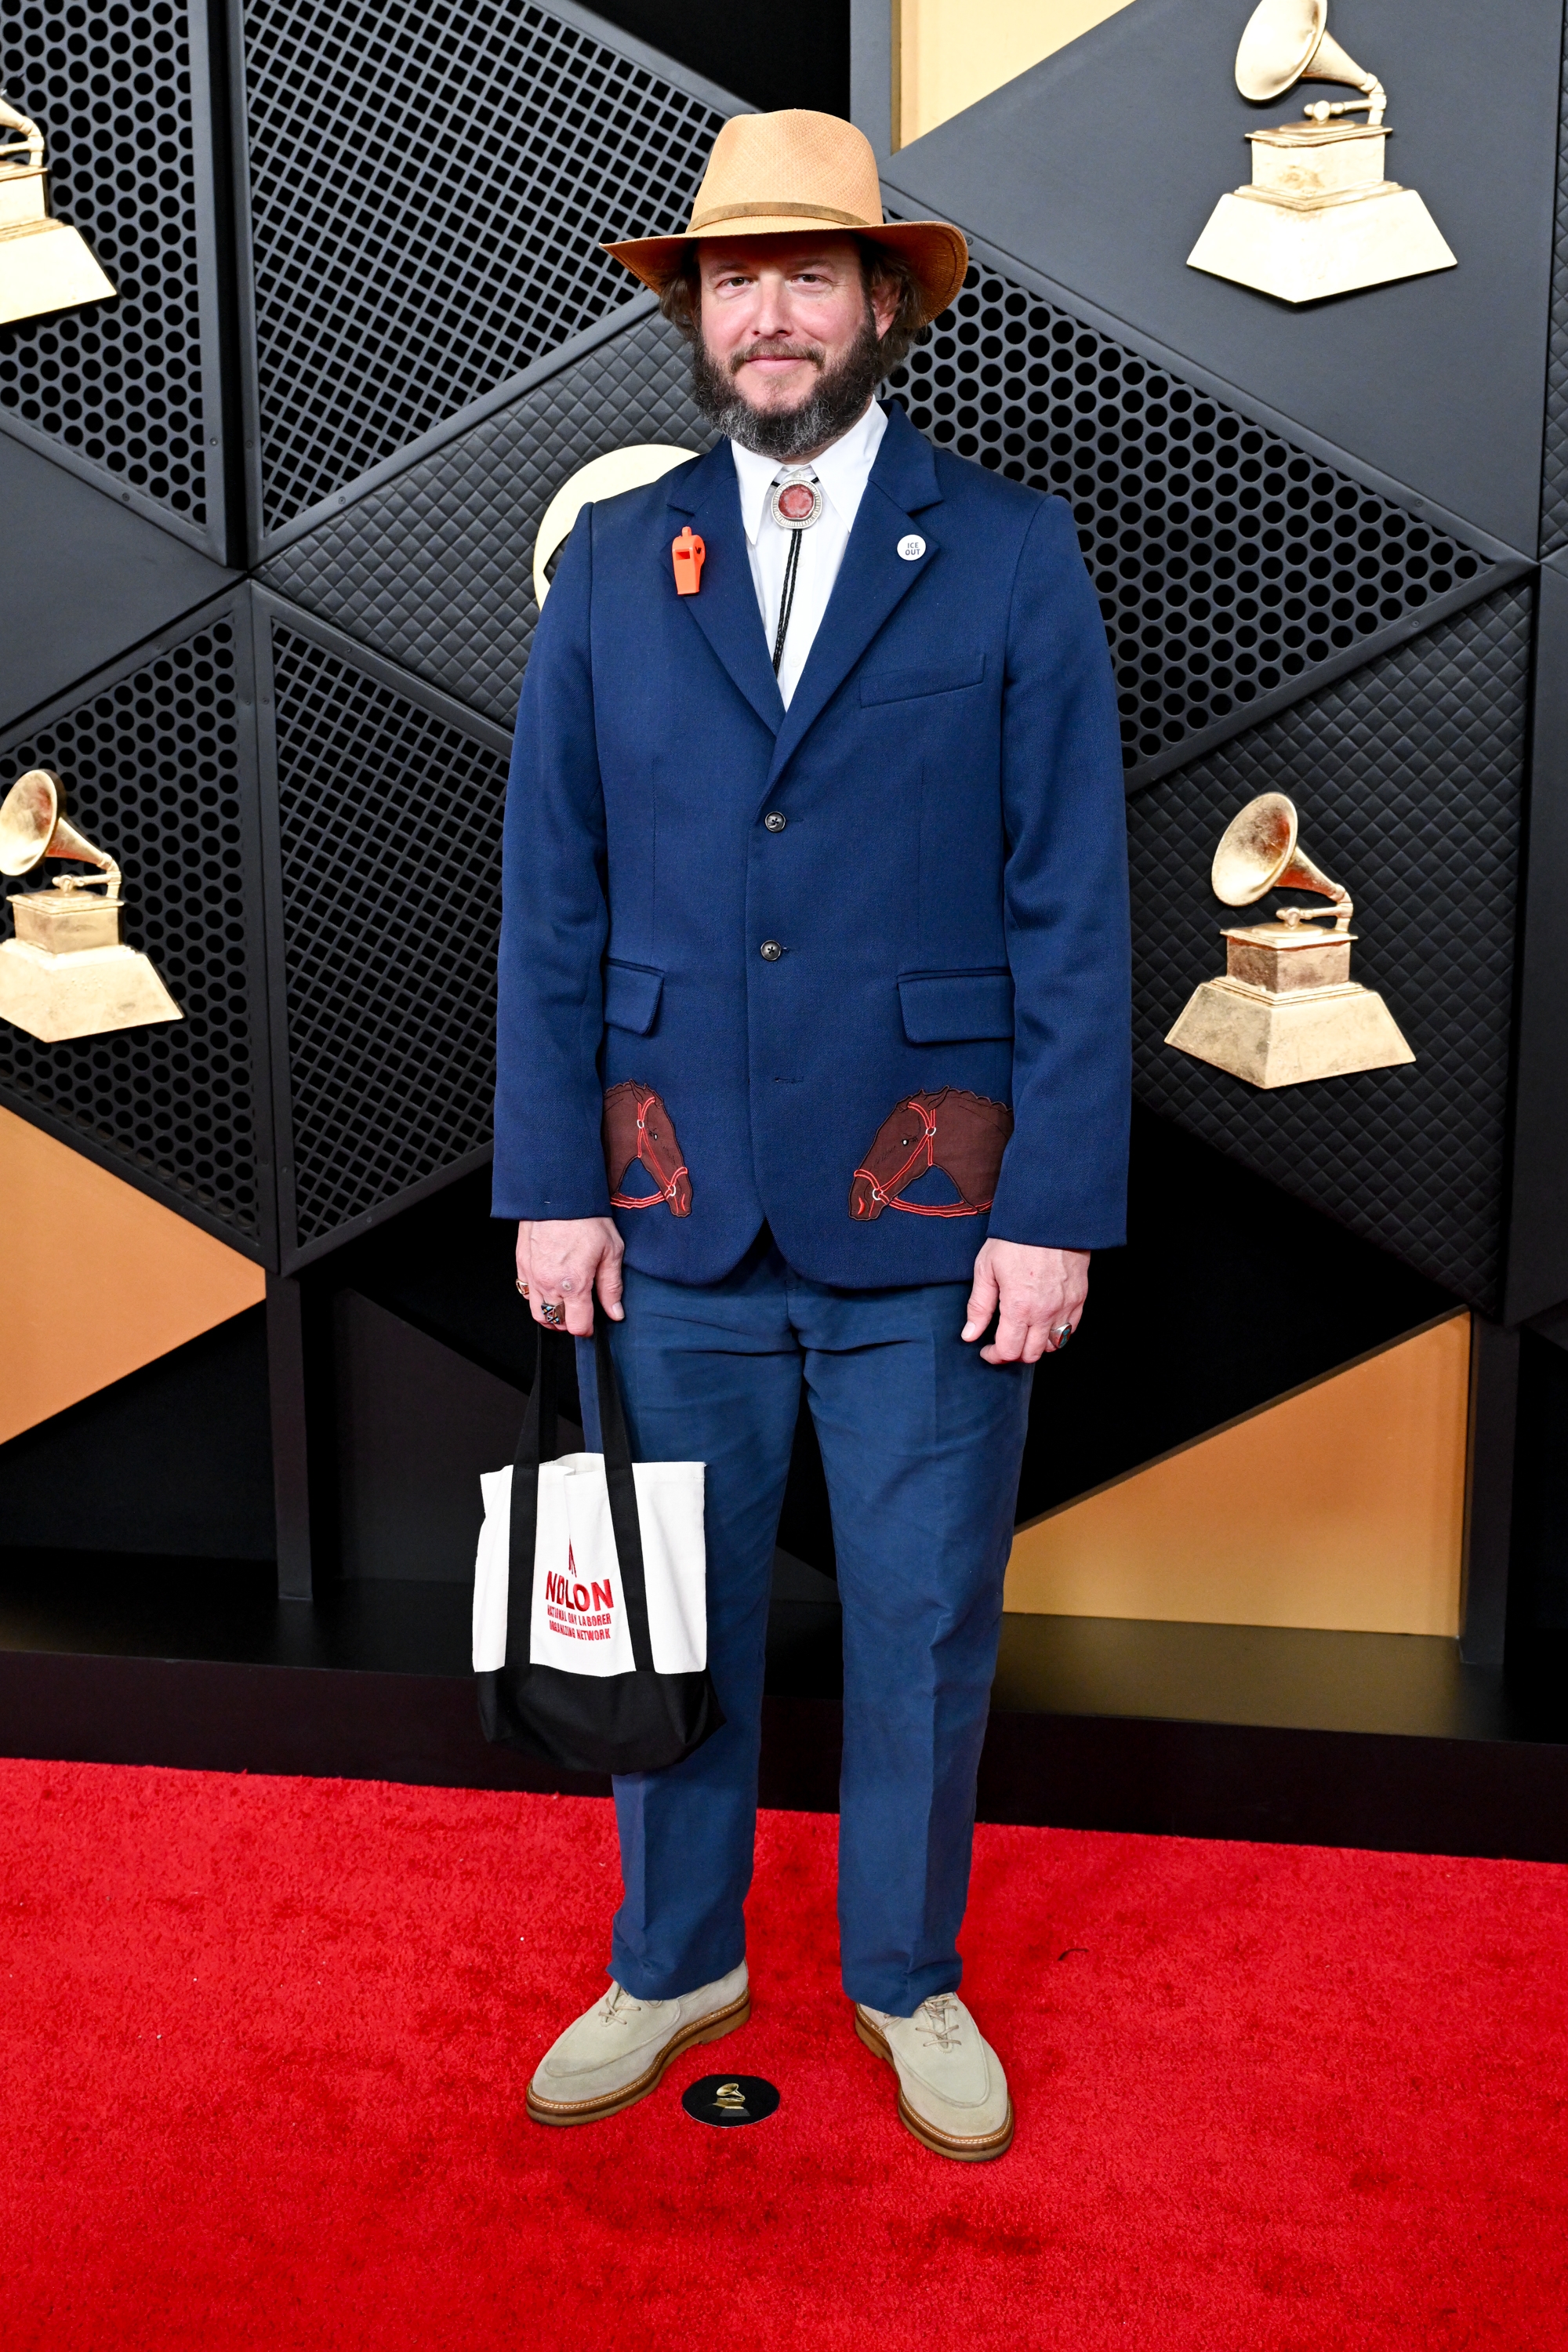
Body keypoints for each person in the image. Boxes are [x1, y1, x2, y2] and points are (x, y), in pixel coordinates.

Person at [495, 108, 1130, 2161]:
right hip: (665, 1197)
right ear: (698, 314)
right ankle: (675, 1954)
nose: (770, 312)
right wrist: (552, 1176)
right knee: (662, 1610)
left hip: (934, 1209)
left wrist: (1051, 1204)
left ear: (880, 304)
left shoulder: (1014, 550)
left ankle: (904, 1973)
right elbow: (556, 899)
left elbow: (1072, 901)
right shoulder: (609, 559)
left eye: (809, 275)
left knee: (929, 1619)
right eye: (732, 280)